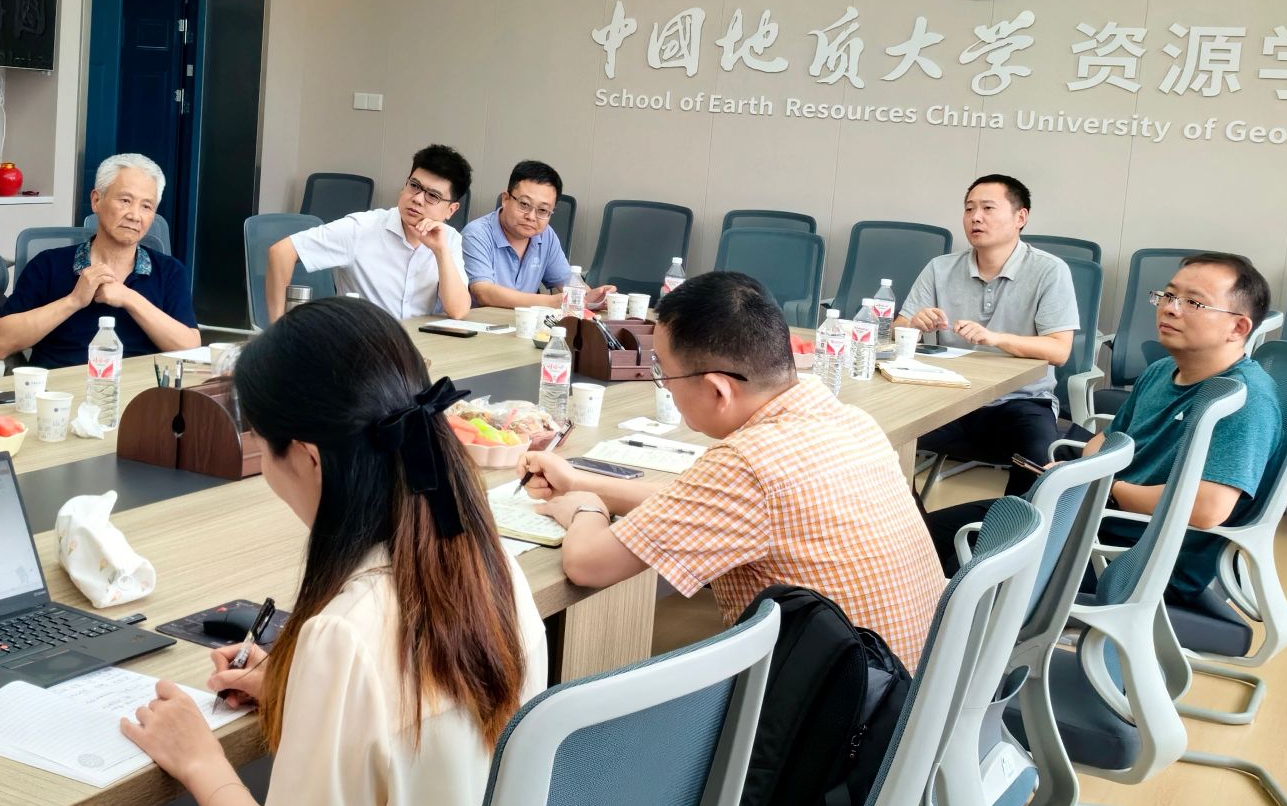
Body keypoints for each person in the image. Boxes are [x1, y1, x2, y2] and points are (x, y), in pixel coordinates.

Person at [23, 297, 547, 806]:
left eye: (261, 447)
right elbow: (412, 716)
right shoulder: (492, 569)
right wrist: (301, 687)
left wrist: (201, 760)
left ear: (307, 456)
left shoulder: (348, 633)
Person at [523, 270, 944, 668]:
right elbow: (698, 505)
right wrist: (578, 481)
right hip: (916, 688)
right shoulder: (846, 418)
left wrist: (586, 508)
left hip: (843, 709)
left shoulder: (747, 463)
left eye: (663, 372)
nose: (663, 384)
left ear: (718, 390)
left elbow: (588, 564)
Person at [924, 254, 1279, 601]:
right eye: (1168, 295)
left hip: (1136, 554)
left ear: (1238, 327)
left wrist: (1105, 488)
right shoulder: (1160, 372)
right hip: (1089, 520)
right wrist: (1075, 472)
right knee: (923, 539)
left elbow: (1207, 508)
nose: (1170, 309)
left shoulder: (1243, 398)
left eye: (1193, 303)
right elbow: (1106, 440)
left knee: (967, 566)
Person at [897, 174, 1078, 494]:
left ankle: (1012, 526)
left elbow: (1059, 351)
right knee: (881, 444)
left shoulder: (1050, 270)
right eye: (969, 209)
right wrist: (914, 324)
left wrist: (995, 338)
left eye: (987, 208)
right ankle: (916, 523)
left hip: (1022, 402)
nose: (975, 217)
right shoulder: (940, 268)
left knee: (1040, 466)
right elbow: (897, 330)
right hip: (947, 399)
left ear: (1021, 217)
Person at [0, 153, 199, 368]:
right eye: (125, 201)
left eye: (146, 206)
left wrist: (129, 298)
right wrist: (74, 300)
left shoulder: (169, 271)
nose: (135, 216)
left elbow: (191, 350)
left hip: (140, 386)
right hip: (61, 385)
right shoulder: (48, 265)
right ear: (96, 200)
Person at [266, 145, 472, 323]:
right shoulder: (362, 228)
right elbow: (281, 252)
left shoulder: (449, 239)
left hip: (418, 347)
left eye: (433, 196)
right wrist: (278, 331)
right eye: (414, 186)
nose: (418, 199)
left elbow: (458, 311)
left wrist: (440, 252)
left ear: (451, 210)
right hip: (363, 344)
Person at [461, 159, 608, 311]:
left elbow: (569, 284)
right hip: (478, 322)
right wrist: (552, 301)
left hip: (523, 323)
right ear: (505, 199)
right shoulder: (476, 234)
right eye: (524, 204)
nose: (531, 217)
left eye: (543, 210)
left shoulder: (546, 235)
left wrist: (596, 298)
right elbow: (484, 293)